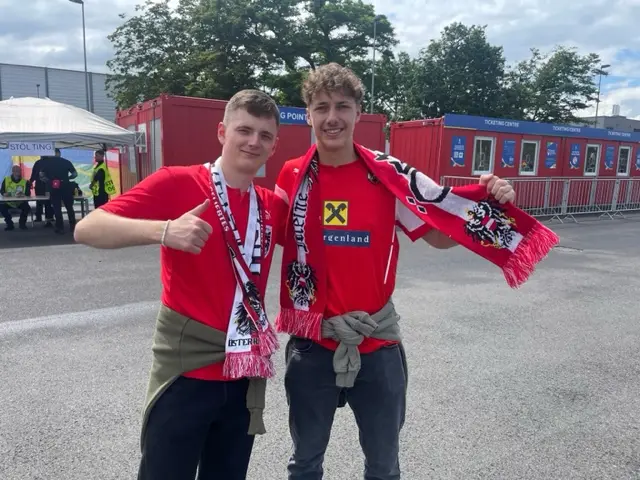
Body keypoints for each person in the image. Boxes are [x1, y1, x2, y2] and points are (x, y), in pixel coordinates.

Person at [273, 63, 557, 480]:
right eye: (321, 107)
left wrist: (491, 202)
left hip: (377, 345)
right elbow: (267, 235)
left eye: (342, 106)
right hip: (314, 344)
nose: (331, 117)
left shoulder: (387, 177)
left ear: (357, 112)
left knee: (384, 466)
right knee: (305, 464)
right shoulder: (293, 175)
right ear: (309, 114)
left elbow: (438, 234)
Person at [74, 89, 283, 480]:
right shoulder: (178, 182)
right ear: (222, 132)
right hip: (185, 374)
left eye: (265, 135)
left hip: (243, 376)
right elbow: (88, 229)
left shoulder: (270, 205)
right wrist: (165, 230)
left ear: (274, 145)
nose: (253, 141)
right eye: (244, 130)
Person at [39, 151, 78, 234]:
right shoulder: (66, 161)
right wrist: (68, 178)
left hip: (54, 187)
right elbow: (75, 174)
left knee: (57, 208)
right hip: (66, 186)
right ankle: (73, 226)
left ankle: (60, 227)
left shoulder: (47, 163)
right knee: (69, 208)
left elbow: (41, 175)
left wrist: (49, 181)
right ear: (59, 154)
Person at [0, 164, 31, 231]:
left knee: (27, 207)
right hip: (9, 202)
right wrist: (4, 194)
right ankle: (9, 224)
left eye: (19, 171)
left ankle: (22, 224)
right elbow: (2, 191)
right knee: (1, 207)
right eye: (16, 171)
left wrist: (23, 194)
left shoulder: (25, 182)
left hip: (20, 202)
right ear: (13, 172)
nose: (18, 172)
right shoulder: (6, 180)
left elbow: (28, 194)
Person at [30, 150, 57, 227]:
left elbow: (34, 174)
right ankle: (49, 218)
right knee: (48, 202)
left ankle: (38, 217)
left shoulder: (38, 163)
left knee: (39, 201)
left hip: (39, 185)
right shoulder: (52, 163)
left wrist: (31, 182)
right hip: (49, 185)